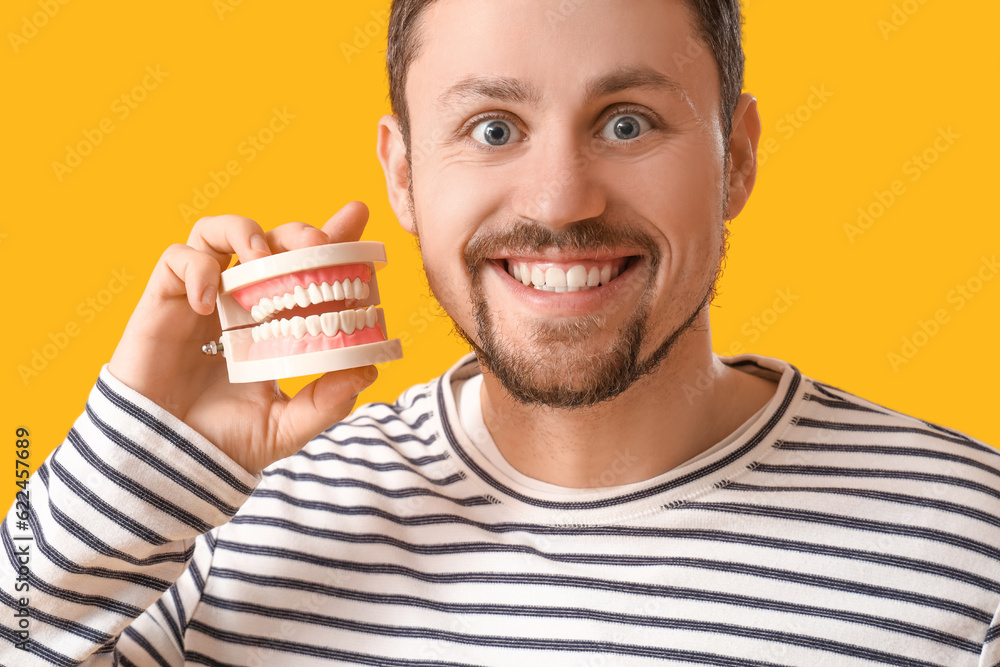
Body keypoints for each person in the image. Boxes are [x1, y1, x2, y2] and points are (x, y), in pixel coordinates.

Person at [4, 0, 999, 664]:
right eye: (492, 128)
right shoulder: (221, 530)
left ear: (733, 158)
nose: (561, 202)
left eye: (625, 122)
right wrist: (136, 459)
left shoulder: (972, 553)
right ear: (401, 173)